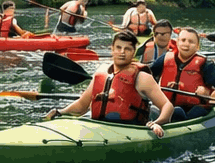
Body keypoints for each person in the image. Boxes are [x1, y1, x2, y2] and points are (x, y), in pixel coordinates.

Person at [45, 31, 173, 136]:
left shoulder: (142, 77)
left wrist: (157, 123)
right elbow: (81, 105)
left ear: (134, 52)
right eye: (118, 47)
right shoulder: (100, 74)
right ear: (112, 49)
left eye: (127, 49)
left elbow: (167, 105)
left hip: (130, 131)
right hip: (98, 128)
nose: (122, 52)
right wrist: (60, 112)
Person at [148, 27, 215, 121]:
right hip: (166, 104)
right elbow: (147, 74)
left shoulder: (205, 64)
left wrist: (209, 94)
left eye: (191, 42)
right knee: (153, 109)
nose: (186, 44)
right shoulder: (165, 58)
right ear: (177, 42)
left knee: (177, 112)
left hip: (196, 107)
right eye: (183, 40)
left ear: (197, 47)